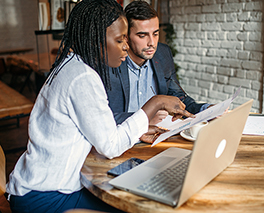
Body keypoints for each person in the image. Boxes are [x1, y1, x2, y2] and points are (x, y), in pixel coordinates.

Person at [5, 0, 193, 212]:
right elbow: (110, 147)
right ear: (96, 41)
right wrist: (156, 102)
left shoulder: (71, 66)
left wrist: (138, 130)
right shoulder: (82, 78)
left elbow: (101, 133)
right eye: (120, 39)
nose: (126, 46)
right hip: (45, 197)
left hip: (39, 187)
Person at [106, 0, 214, 126]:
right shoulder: (110, 61)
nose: (152, 42)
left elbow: (178, 97)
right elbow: (103, 118)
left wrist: (207, 110)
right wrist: (145, 118)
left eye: (155, 34)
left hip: (158, 135)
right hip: (124, 138)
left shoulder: (163, 54)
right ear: (126, 37)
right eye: (142, 35)